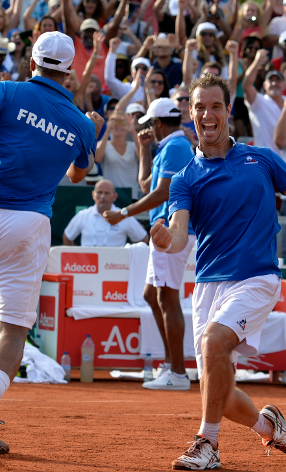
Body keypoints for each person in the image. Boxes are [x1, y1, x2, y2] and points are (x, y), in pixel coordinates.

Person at [0, 31, 102, 467]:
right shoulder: (82, 123)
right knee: (12, 331)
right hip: (28, 224)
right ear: (69, 72)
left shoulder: (4, 91)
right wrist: (83, 135)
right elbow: (79, 176)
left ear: (32, 61)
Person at [153, 74, 286, 470]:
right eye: (200, 107)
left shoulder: (262, 158)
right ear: (190, 114)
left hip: (256, 277)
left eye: (215, 106)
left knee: (214, 344)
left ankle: (207, 445)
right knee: (220, 389)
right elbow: (180, 233)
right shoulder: (185, 179)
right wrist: (167, 241)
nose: (207, 114)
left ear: (228, 111)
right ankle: (270, 427)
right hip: (209, 286)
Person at [103, 98, 196, 391]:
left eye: (149, 126)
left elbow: (162, 192)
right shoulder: (167, 147)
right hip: (163, 230)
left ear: (157, 123)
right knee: (151, 295)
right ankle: (171, 366)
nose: (147, 131)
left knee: (168, 298)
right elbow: (146, 186)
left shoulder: (177, 147)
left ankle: (178, 372)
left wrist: (123, 213)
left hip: (171, 230)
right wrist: (143, 150)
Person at [63, 179, 148, 246]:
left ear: (115, 196)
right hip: (88, 266)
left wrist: (131, 253)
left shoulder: (123, 216)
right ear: (93, 195)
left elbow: (143, 238)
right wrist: (74, 257)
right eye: (99, 192)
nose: (103, 196)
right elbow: (67, 236)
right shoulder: (83, 215)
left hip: (115, 265)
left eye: (107, 193)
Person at [242, 49, 284, 149]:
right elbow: (246, 85)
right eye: (271, 81)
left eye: (278, 81)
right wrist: (257, 61)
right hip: (263, 159)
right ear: (264, 85)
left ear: (284, 85)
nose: (274, 84)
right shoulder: (259, 101)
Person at [95, 111, 139, 192]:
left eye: (122, 122)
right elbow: (97, 158)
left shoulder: (133, 146)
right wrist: (107, 131)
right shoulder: (103, 145)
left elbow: (142, 156)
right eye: (114, 121)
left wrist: (133, 132)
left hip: (132, 194)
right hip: (111, 194)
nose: (118, 125)